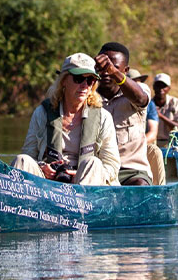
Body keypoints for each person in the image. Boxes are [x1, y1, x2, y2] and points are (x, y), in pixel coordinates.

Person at [12, 53, 120, 185]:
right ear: (64, 81)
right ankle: (20, 204)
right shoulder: (42, 113)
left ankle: (81, 202)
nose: (85, 85)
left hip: (88, 184)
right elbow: (29, 153)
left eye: (90, 80)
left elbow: (112, 166)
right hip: (48, 182)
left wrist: (81, 174)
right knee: (22, 160)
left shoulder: (103, 117)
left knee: (93, 163)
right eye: (78, 79)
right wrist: (42, 167)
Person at [95, 43, 154, 186]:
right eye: (102, 68)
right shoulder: (88, 94)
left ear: (125, 70)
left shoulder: (138, 90)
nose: (106, 72)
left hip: (131, 171)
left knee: (140, 185)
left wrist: (114, 73)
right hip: (99, 170)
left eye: (114, 67)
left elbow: (141, 98)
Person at [153, 73, 178, 146]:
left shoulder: (176, 103)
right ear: (154, 87)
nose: (161, 89)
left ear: (169, 88)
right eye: (158, 86)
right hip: (153, 143)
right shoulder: (148, 104)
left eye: (164, 86)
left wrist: (161, 116)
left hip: (171, 143)